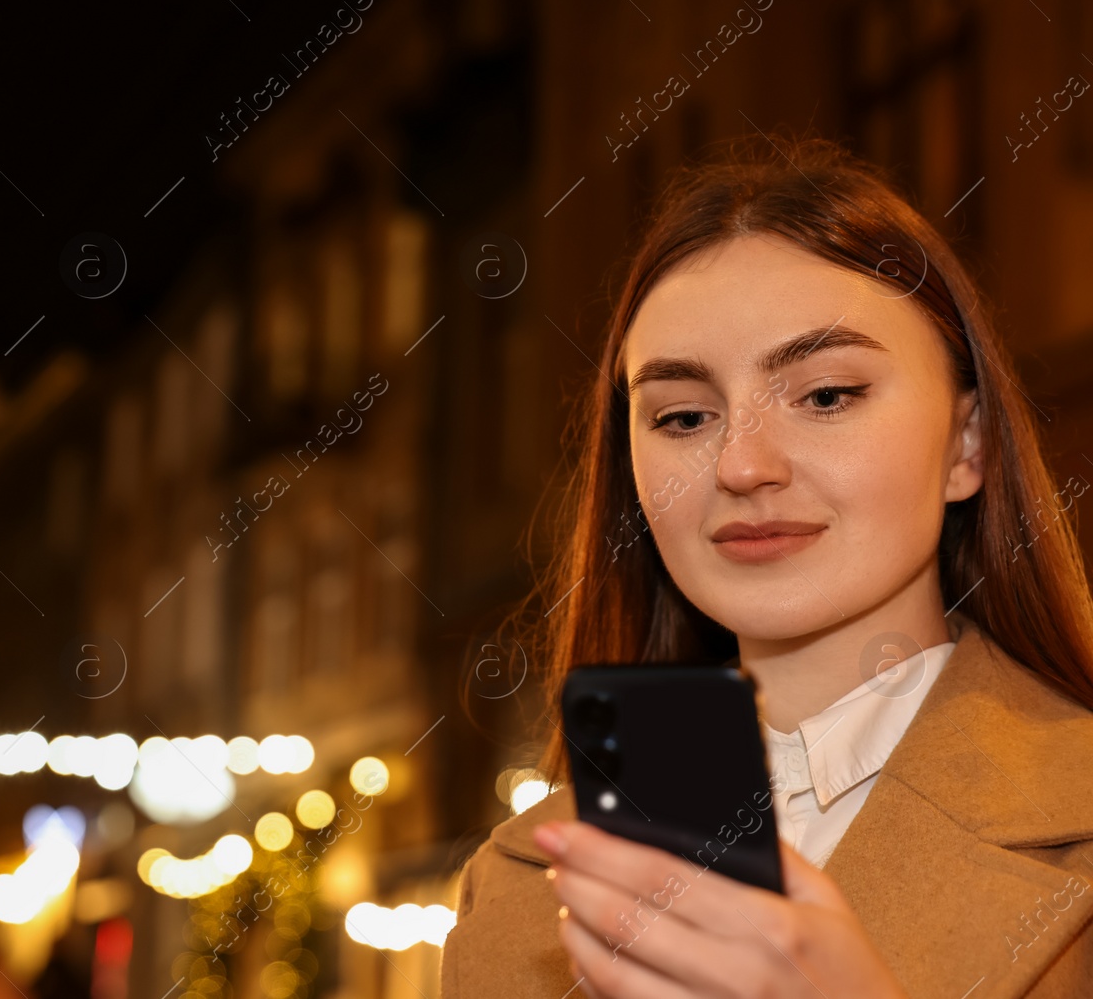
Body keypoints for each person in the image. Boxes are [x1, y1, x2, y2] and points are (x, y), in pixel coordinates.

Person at [440, 134, 1093, 998]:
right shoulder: (516, 886)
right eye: (681, 417)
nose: (744, 465)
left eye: (827, 395)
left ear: (967, 442)